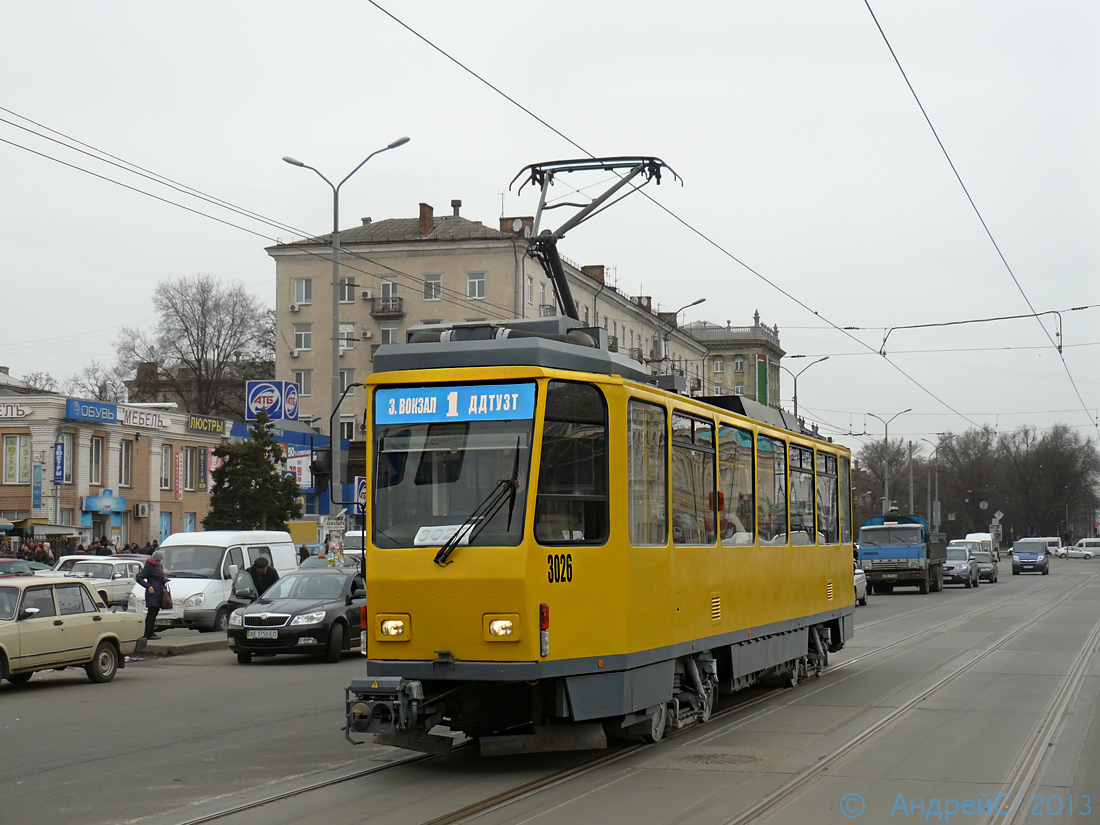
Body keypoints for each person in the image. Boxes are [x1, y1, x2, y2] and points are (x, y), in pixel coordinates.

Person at [135, 550, 168, 640]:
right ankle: (148, 633)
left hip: (159, 592)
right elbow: (139, 577)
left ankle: (151, 632)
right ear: (152, 559)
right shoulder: (149, 567)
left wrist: (163, 580)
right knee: (151, 613)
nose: (157, 562)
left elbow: (158, 578)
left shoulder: (159, 566)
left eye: (159, 561)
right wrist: (148, 586)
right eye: (156, 561)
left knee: (155, 612)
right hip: (152, 593)